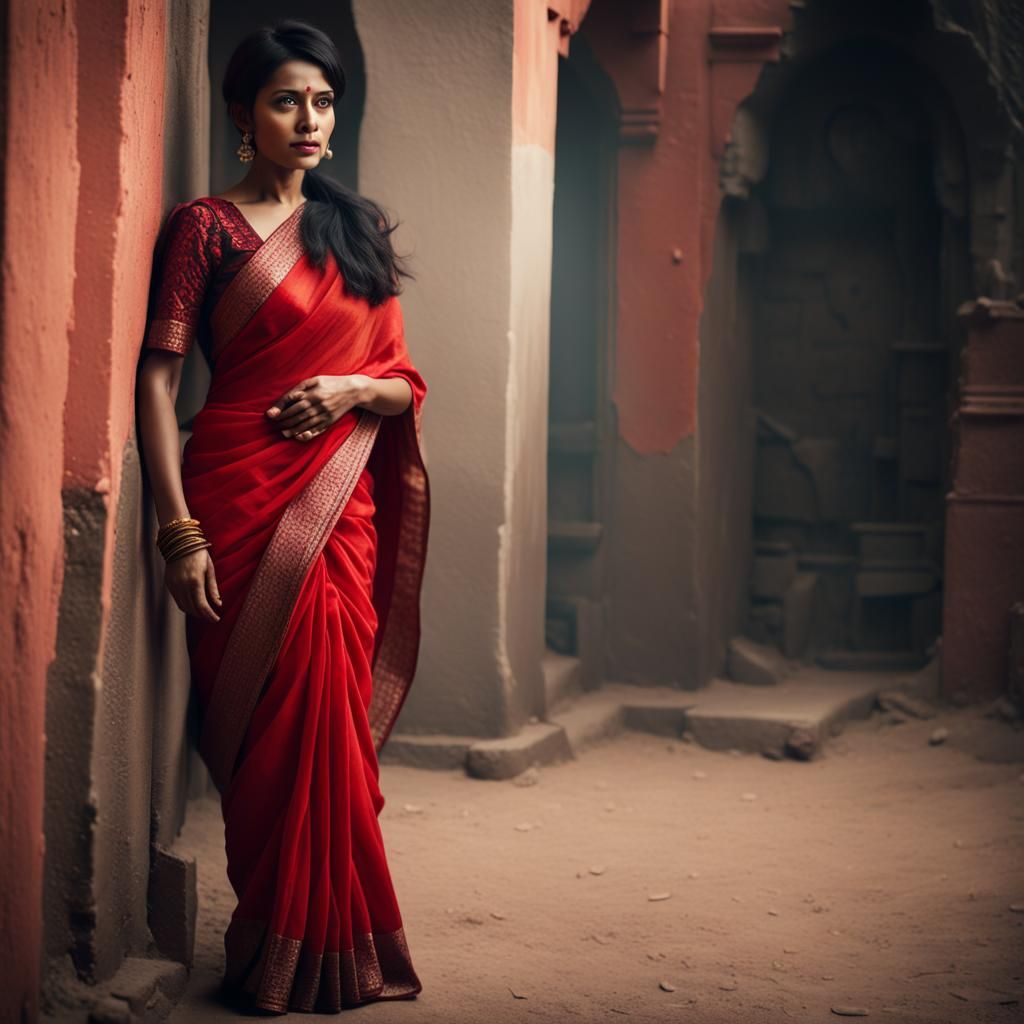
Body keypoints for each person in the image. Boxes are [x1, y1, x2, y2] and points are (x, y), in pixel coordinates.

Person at [136, 19, 429, 1015]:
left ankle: (326, 952)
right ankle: (272, 938)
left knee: (326, 724)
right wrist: (176, 530)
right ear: (242, 117)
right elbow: (157, 377)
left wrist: (349, 387)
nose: (309, 120)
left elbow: (404, 386)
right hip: (232, 495)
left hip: (335, 510)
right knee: (261, 737)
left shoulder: (357, 229)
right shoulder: (204, 229)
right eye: (286, 100)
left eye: (322, 101)